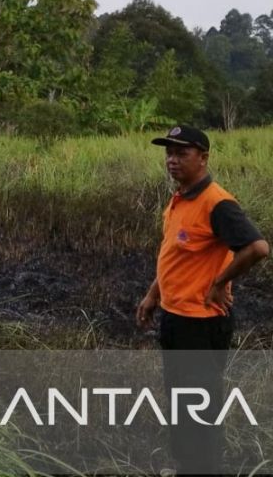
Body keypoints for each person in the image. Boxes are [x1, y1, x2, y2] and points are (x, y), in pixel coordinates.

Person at [135, 124, 268, 476]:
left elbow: (257, 248)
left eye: (182, 153)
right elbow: (175, 255)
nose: (172, 160)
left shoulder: (217, 202)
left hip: (202, 323)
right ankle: (186, 467)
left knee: (200, 409)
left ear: (204, 158)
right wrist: (152, 296)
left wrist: (219, 281)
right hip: (175, 317)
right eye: (169, 153)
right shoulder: (180, 198)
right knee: (180, 401)